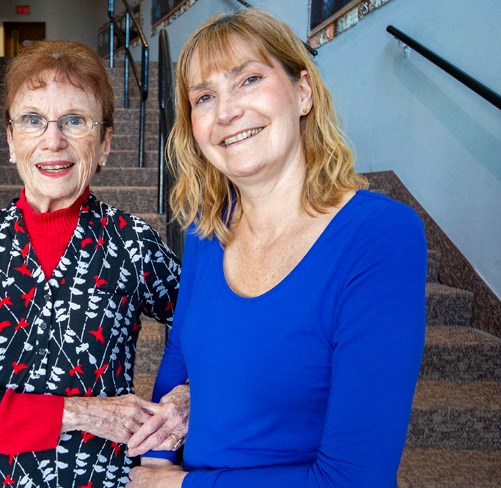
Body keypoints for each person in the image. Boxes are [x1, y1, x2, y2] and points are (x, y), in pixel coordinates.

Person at [126, 8, 427, 487]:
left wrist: (175, 485)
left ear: (302, 92)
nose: (226, 112)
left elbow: (354, 480)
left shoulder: (379, 235)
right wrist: (157, 461)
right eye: (205, 97)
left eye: (248, 79)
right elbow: (179, 359)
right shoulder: (208, 233)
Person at [0, 40, 186, 488]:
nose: (53, 139)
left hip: (97, 477)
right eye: (32, 120)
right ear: (9, 140)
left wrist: (186, 397)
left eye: (75, 121)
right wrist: (81, 412)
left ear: (104, 144)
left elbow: (213, 325)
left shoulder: (130, 243)